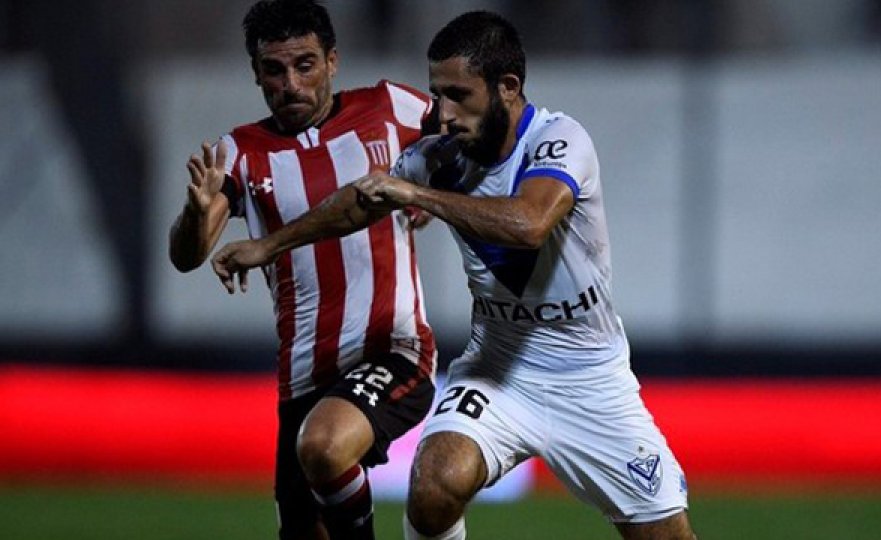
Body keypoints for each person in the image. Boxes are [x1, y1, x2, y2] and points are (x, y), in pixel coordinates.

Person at [213, 10, 697, 540]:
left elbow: (529, 223)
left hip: (589, 379)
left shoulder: (559, 140)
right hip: (497, 372)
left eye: (457, 95)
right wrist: (268, 244)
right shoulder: (441, 156)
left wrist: (418, 195)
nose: (439, 113)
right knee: (433, 485)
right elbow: (360, 202)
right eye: (435, 93)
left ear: (507, 88)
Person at [167, 1, 438, 539]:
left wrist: (435, 192)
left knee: (323, 446)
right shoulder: (240, 152)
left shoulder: (391, 107)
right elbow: (187, 255)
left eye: (305, 65)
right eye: (274, 70)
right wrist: (196, 216)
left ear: (333, 61)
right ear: (255, 74)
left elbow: (470, 137)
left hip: (395, 352)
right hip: (302, 381)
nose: (291, 84)